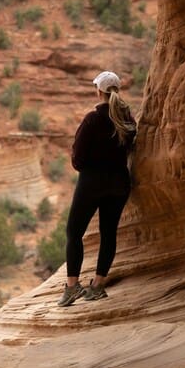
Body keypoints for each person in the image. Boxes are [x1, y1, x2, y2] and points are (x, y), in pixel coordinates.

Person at [58, 70, 137, 306]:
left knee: (74, 232)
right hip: (120, 182)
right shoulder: (127, 119)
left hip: (92, 182)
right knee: (108, 233)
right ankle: (97, 286)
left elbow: (78, 159)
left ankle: (72, 287)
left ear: (99, 91)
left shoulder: (92, 120)